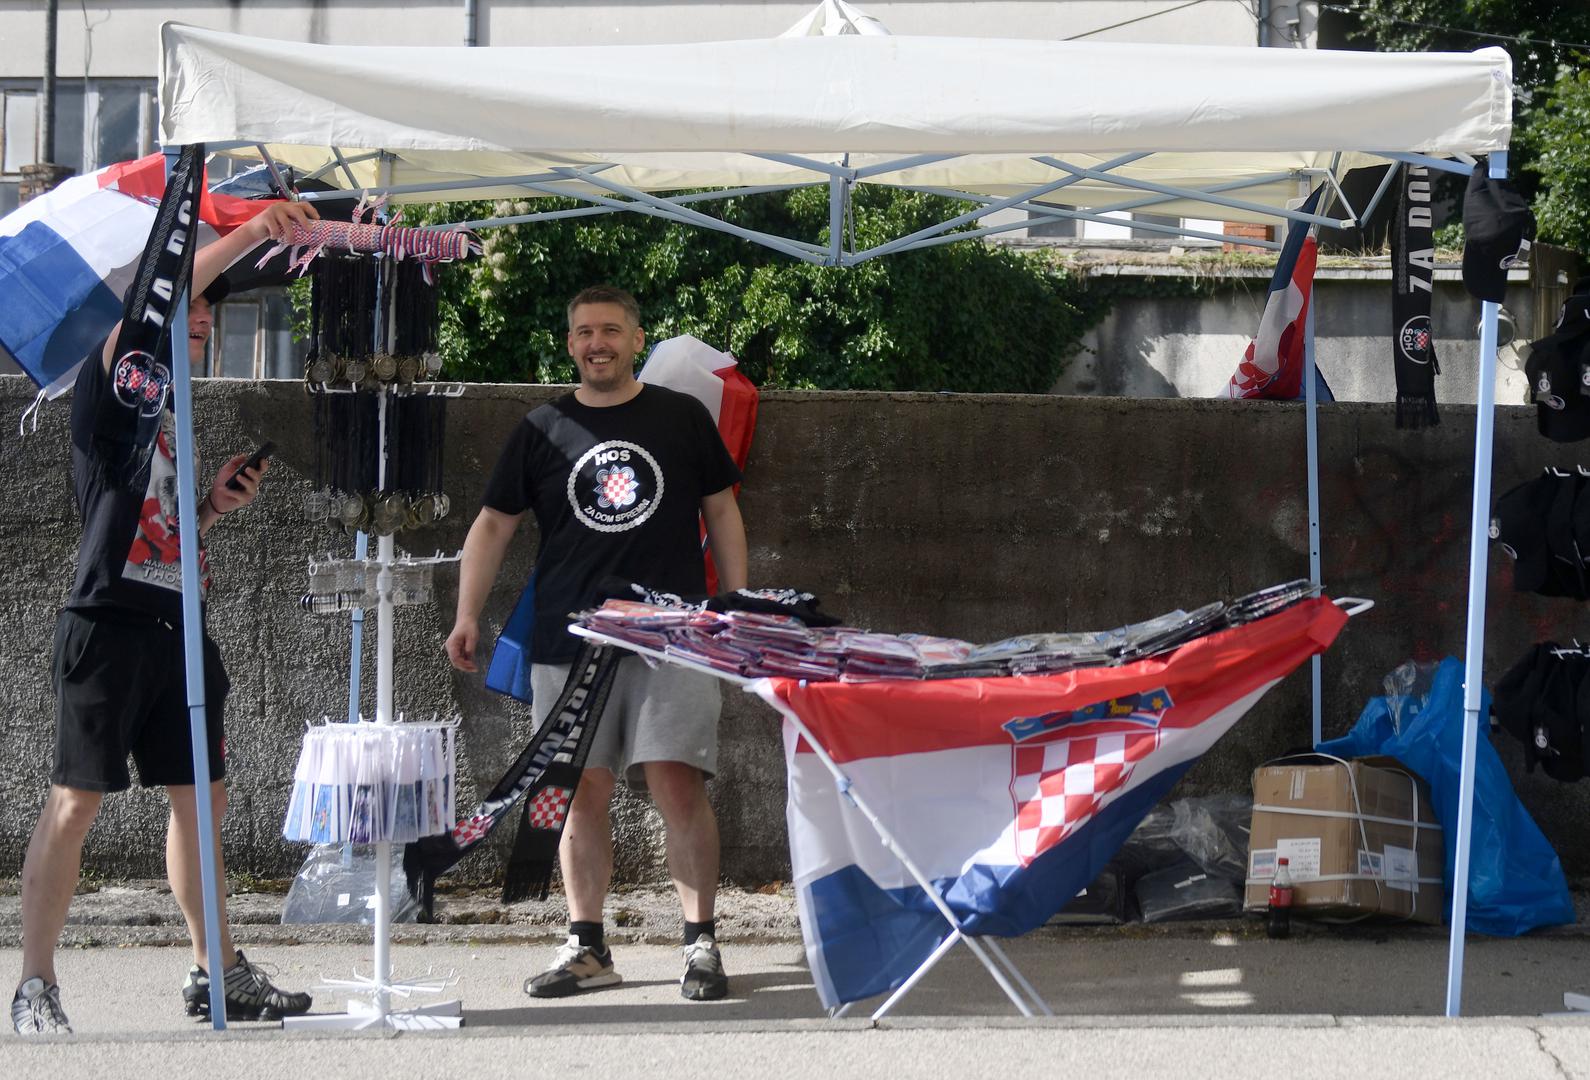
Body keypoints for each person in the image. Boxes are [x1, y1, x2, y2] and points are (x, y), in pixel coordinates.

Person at [11, 198, 322, 1036]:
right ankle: (35, 985)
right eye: (184, 316)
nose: (197, 327)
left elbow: (163, 533)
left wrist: (211, 506)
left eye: (204, 324)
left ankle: (216, 971)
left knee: (204, 802)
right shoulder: (110, 387)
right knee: (77, 804)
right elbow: (156, 300)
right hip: (105, 625)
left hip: (176, 627)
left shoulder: (173, 425)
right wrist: (254, 233)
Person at [446, 285, 748, 1003]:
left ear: (637, 339)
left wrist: (733, 607)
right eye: (584, 332)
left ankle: (699, 941)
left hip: (671, 636)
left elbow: (724, 512)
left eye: (611, 330)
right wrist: (467, 614)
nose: (597, 343)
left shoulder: (681, 417)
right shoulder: (541, 427)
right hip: (566, 640)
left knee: (678, 783)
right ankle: (587, 947)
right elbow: (492, 526)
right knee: (579, 794)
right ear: (571, 341)